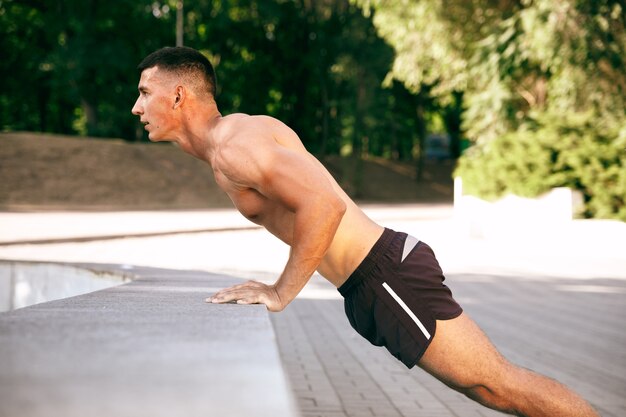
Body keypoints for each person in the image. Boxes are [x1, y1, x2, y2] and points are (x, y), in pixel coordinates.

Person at [131, 46, 599, 417]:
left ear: (178, 96)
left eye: (145, 92)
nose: (137, 107)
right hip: (370, 280)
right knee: (490, 388)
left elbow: (325, 204)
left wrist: (279, 291)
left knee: (497, 384)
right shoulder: (230, 143)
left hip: (385, 273)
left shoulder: (236, 144)